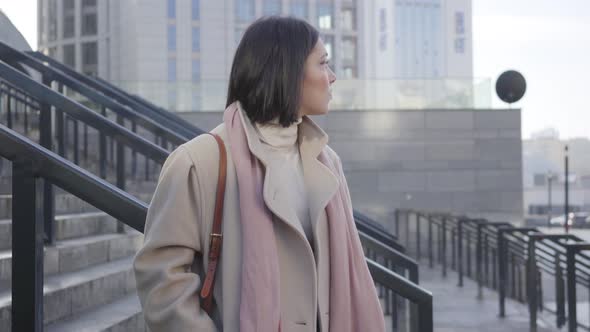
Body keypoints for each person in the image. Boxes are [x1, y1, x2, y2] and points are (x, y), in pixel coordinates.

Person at [133, 16, 385, 332]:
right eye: (322, 64)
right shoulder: (200, 161)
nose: (332, 77)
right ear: (288, 71)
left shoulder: (326, 160)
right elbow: (162, 277)